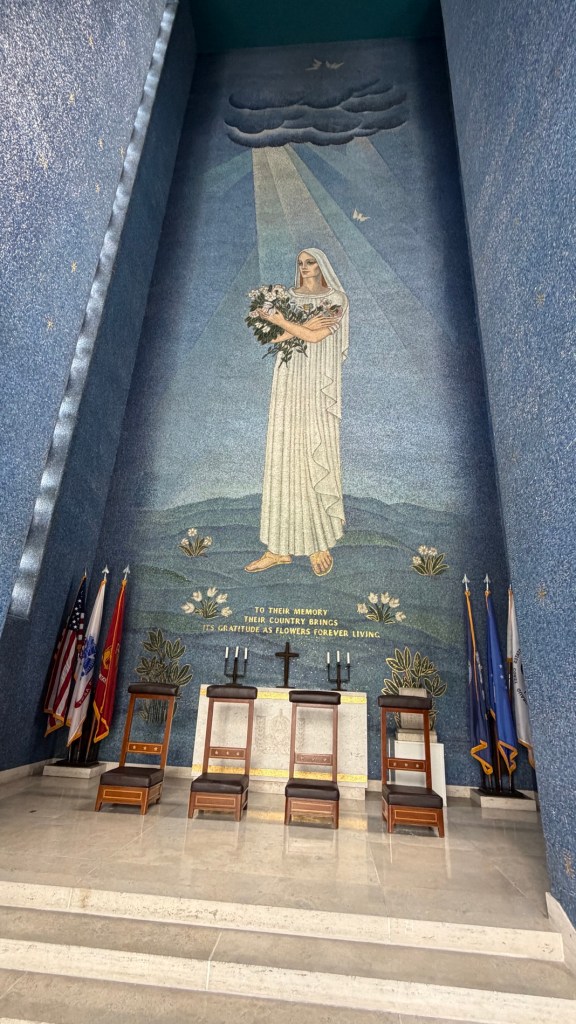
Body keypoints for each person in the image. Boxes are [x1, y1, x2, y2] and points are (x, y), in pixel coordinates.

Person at [245, 248, 349, 577]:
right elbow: (271, 338)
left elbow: (316, 336)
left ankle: (318, 541)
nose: (304, 267)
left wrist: (284, 322)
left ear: (322, 265)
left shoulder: (336, 299)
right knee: (285, 453)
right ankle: (278, 549)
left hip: (315, 384)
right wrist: (289, 324)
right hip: (289, 380)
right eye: (301, 263)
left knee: (312, 449)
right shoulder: (286, 298)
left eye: (311, 262)